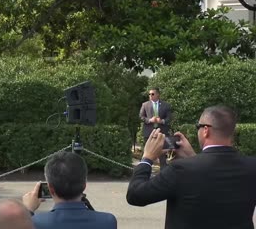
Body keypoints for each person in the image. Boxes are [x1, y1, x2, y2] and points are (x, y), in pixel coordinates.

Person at [127, 105, 256, 229]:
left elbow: (136, 195)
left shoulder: (180, 169)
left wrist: (147, 158)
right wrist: (193, 157)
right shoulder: (251, 166)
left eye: (198, 127)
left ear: (206, 130)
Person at [22, 152, 117, 229]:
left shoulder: (36, 222)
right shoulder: (108, 221)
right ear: (84, 186)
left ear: (51, 189)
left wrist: (27, 211)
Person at [139, 87, 172, 167]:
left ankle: (163, 173)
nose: (150, 95)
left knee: (162, 154)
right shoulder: (145, 104)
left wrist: (162, 121)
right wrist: (150, 120)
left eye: (152, 94)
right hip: (149, 132)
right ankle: (144, 170)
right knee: (146, 153)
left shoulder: (166, 105)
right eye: (149, 94)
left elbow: (169, 118)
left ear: (158, 95)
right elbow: (141, 116)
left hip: (162, 132)